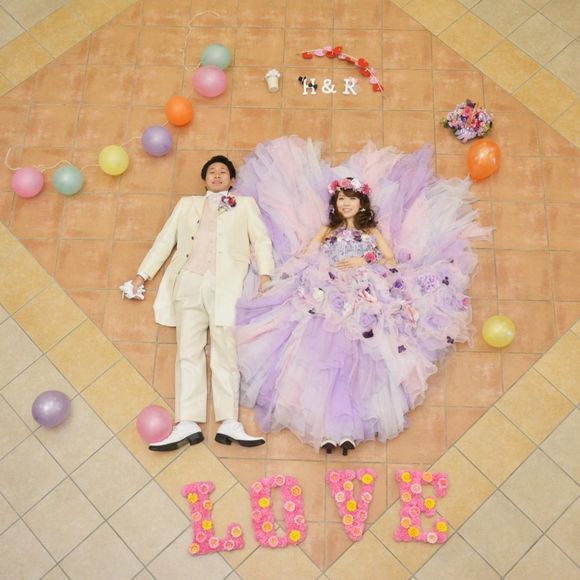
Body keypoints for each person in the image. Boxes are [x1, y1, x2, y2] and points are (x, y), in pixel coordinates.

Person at [233, 136, 489, 455]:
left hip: (365, 294)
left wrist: (363, 261)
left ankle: (348, 430)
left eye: (351, 199)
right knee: (322, 358)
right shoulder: (327, 231)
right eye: (341, 199)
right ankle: (325, 431)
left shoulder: (371, 232)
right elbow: (307, 254)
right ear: (335, 204)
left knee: (360, 360)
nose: (346, 204)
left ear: (362, 203)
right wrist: (314, 267)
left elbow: (390, 260)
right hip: (327, 292)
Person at [124, 155, 275, 451]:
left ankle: (229, 422)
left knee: (225, 352)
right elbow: (165, 240)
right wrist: (143, 275)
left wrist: (265, 275)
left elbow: (261, 240)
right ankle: (187, 422)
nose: (217, 175)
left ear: (232, 180)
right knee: (188, 352)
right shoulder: (187, 204)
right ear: (204, 179)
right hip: (189, 283)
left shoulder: (244, 205)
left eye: (223, 172)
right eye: (211, 172)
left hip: (227, 284)